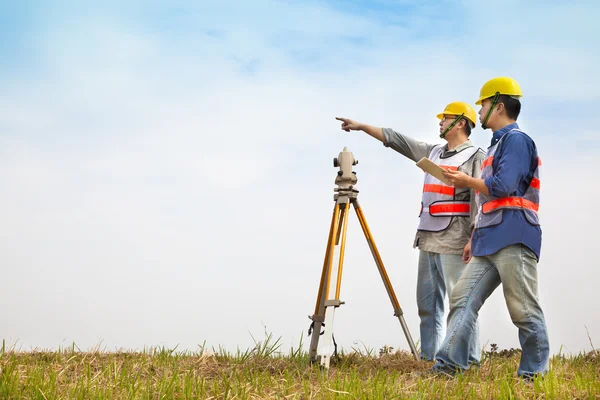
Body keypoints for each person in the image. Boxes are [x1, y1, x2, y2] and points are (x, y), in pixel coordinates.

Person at [336, 101, 484, 363]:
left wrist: (474, 237)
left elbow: (479, 201)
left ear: (460, 122)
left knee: (460, 304)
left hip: (456, 240)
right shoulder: (434, 152)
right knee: (428, 307)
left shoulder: (476, 156)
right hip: (427, 238)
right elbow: (397, 140)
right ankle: (430, 359)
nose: (440, 122)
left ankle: (468, 360)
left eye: (445, 118)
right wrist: (361, 127)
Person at [434, 77, 550, 380]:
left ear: (498, 106)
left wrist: (464, 180)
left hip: (515, 235)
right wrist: (475, 237)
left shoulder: (517, 141)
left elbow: (503, 187)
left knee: (523, 309)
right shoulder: (496, 146)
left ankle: (533, 376)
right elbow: (487, 201)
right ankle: (448, 367)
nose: (480, 110)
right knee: (462, 299)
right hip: (488, 240)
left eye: (483, 105)